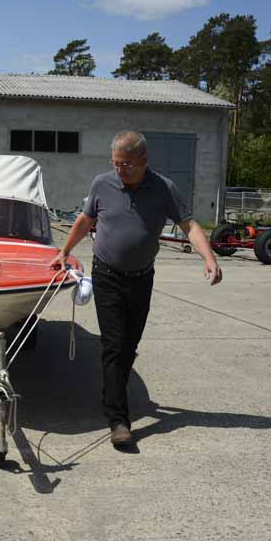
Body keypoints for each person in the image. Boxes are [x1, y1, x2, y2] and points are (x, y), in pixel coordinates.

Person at [50, 131, 222, 448]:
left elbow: (190, 225)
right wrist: (64, 250)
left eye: (126, 164)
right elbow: (85, 220)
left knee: (129, 345)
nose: (120, 170)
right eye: (115, 164)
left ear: (143, 161)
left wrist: (208, 257)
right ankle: (118, 419)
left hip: (142, 279)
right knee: (115, 346)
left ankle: (111, 390)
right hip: (107, 276)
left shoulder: (164, 188)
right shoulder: (102, 184)